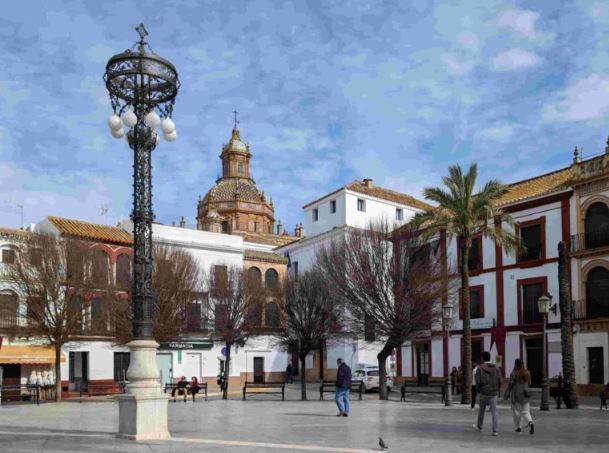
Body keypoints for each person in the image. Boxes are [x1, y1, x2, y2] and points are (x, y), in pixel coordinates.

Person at [472, 351, 501, 436]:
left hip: (483, 393)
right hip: (493, 393)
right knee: (494, 412)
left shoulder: (479, 368)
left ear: (482, 358)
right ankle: (495, 430)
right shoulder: (496, 368)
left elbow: (477, 380)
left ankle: (479, 426)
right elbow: (500, 380)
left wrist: (479, 389)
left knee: (481, 410)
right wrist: (496, 389)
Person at [504, 359, 534, 434]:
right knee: (526, 411)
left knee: (516, 412)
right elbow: (530, 383)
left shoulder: (514, 373)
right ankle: (530, 422)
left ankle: (518, 427)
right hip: (525, 394)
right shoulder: (527, 372)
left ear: (515, 364)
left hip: (516, 395)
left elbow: (510, 384)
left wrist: (507, 393)